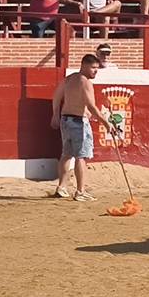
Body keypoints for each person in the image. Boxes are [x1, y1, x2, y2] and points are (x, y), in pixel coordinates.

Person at [50, 54, 116, 201]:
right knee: (81, 156)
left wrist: (55, 114)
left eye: (97, 68)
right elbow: (91, 106)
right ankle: (80, 191)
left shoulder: (69, 79)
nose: (95, 71)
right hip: (79, 122)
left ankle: (61, 187)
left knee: (66, 154)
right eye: (93, 68)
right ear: (84, 65)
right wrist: (106, 123)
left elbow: (56, 96)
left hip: (65, 119)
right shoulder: (85, 82)